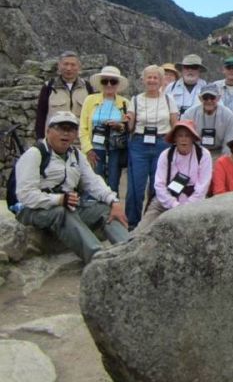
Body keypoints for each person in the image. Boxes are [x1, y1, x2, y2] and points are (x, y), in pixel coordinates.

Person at [13, 111, 128, 263]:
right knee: (62, 212)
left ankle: (127, 251)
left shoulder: (76, 155)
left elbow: (93, 182)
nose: (66, 133)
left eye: (71, 129)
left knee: (105, 210)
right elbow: (25, 195)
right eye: (61, 128)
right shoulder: (34, 154)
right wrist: (59, 199)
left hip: (68, 204)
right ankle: (97, 257)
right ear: (48, 131)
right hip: (34, 210)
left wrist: (114, 201)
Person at [127, 65, 179, 230]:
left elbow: (175, 125)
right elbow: (130, 127)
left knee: (158, 186)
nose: (152, 80)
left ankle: (151, 223)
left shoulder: (169, 100)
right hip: (139, 144)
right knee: (136, 186)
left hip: (162, 143)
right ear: (143, 80)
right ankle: (132, 224)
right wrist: (125, 120)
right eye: (149, 77)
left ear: (162, 80)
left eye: (155, 77)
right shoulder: (135, 100)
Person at [137, 120, 212, 231]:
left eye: (187, 136)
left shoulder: (203, 155)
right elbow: (159, 186)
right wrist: (174, 205)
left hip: (194, 204)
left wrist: (186, 207)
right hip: (165, 201)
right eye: (180, 136)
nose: (183, 139)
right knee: (142, 230)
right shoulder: (165, 155)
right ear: (175, 139)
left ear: (193, 138)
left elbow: (202, 188)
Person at [79, 66, 131, 195]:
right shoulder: (90, 100)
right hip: (94, 149)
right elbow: (83, 127)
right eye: (105, 81)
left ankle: (112, 212)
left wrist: (119, 126)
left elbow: (129, 127)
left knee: (113, 184)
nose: (109, 84)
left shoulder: (125, 103)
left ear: (117, 84)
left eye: (113, 81)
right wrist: (88, 149)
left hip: (115, 150)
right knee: (94, 183)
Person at [34, 51, 94, 140]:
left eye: (73, 65)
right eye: (65, 64)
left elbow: (92, 114)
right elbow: (41, 115)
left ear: (79, 67)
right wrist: (40, 139)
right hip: (54, 141)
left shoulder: (87, 87)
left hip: (80, 141)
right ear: (59, 66)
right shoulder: (49, 87)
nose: (69, 68)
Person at [184, 84, 233, 160]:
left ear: (218, 98)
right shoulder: (189, 114)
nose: (209, 101)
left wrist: (224, 163)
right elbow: (186, 139)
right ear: (200, 98)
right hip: (195, 153)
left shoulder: (228, 115)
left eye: (212, 97)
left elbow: (228, 143)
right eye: (205, 98)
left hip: (219, 152)